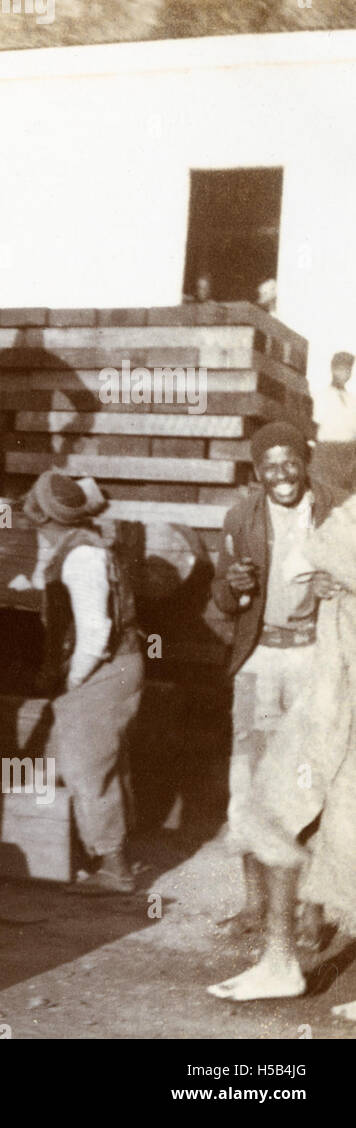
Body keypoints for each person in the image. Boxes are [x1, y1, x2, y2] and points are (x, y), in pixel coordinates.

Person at [208, 495, 355, 1011]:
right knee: (270, 810)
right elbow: (309, 560)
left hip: (337, 693)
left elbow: (325, 552)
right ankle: (278, 960)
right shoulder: (338, 524)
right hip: (330, 695)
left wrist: (336, 570)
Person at [209, 421, 337, 938]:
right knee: (252, 776)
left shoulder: (338, 511)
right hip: (262, 665)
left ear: (304, 462)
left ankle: (314, 909)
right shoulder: (242, 517)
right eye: (269, 466)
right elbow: (221, 596)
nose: (281, 475)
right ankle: (255, 903)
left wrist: (342, 584)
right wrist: (234, 587)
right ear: (256, 471)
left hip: (316, 660)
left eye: (289, 463)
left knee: (315, 780)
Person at [23, 471, 146, 894]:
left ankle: (114, 869)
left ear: (42, 513)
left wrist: (73, 683)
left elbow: (95, 630)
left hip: (106, 667)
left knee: (87, 766)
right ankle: (110, 853)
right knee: (105, 762)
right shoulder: (73, 547)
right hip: (117, 665)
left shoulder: (81, 557)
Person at [312, 350, 356, 501]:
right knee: (326, 496)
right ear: (333, 370)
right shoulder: (321, 396)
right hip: (327, 454)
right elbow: (314, 426)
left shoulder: (352, 400)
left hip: (350, 455)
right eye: (342, 369)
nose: (345, 374)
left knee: (347, 500)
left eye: (349, 370)